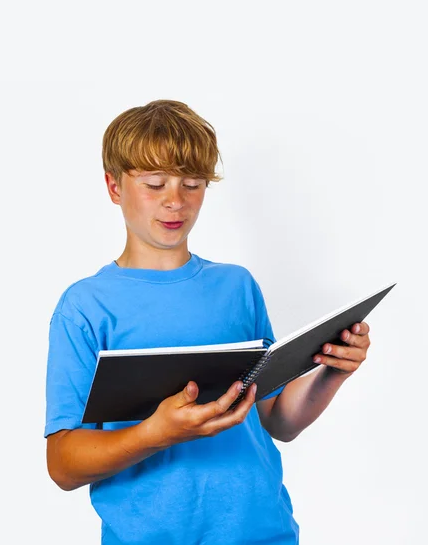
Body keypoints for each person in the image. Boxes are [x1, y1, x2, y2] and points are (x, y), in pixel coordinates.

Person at [44, 99, 371, 544]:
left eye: (192, 184)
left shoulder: (236, 287)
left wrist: (331, 371)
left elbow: (277, 420)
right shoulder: (84, 307)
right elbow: (63, 465)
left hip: (262, 531)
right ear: (114, 186)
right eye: (155, 184)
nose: (175, 201)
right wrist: (153, 434)